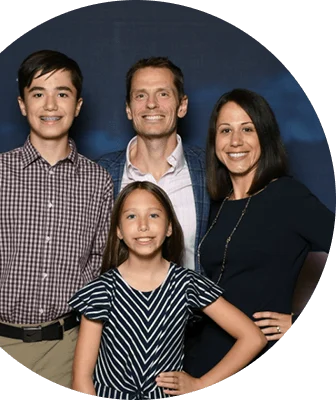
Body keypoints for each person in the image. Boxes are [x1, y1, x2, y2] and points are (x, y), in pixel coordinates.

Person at [0, 49, 114, 389]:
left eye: (62, 94)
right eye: (38, 94)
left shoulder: (99, 182)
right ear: (23, 105)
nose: (50, 106)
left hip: (64, 347)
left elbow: (100, 260)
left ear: (78, 105)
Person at [95, 56, 293, 341]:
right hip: (119, 337)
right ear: (128, 109)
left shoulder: (216, 171)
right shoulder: (99, 174)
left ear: (182, 105)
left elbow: (262, 246)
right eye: (141, 95)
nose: (151, 104)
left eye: (163, 94)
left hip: (201, 335)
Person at [180, 88, 335, 378]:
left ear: (264, 136)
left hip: (254, 354)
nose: (235, 141)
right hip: (201, 356)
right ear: (215, 141)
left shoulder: (287, 196)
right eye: (225, 130)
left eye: (247, 129)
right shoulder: (216, 204)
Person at [68, 181, 267, 398]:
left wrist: (201, 383)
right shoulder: (101, 290)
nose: (143, 225)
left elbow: (253, 337)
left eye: (154, 215)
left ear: (169, 227)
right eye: (131, 216)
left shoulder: (187, 284)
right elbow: (82, 377)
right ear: (118, 231)